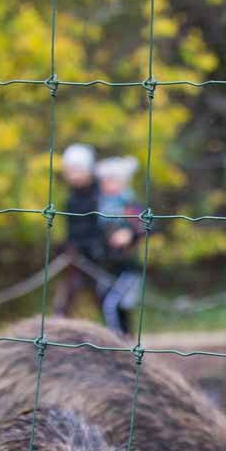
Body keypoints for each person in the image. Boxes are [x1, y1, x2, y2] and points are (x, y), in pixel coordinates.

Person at [93, 155, 148, 336]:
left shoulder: (129, 207)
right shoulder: (99, 207)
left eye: (112, 179)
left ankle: (118, 341)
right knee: (107, 304)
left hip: (127, 268)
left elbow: (148, 225)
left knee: (114, 305)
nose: (107, 184)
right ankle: (119, 339)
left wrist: (130, 234)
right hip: (106, 267)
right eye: (105, 180)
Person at [53, 143, 103, 316]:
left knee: (106, 298)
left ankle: (120, 336)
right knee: (66, 296)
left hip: (99, 257)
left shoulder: (101, 195)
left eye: (77, 169)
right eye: (70, 170)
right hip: (76, 256)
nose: (73, 175)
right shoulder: (71, 197)